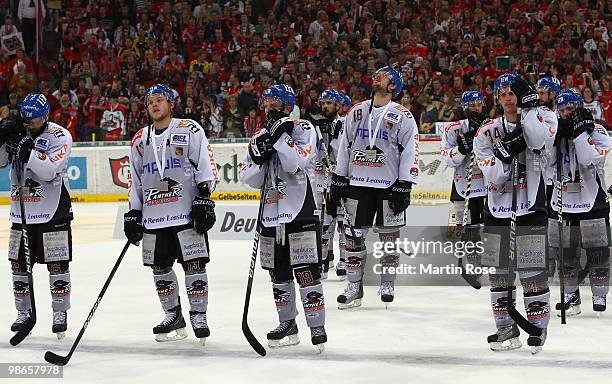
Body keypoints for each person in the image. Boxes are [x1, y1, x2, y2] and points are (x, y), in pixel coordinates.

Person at [124, 84, 218, 345]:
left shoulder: (189, 129)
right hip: (154, 216)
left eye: (159, 100)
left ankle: (199, 315)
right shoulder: (140, 139)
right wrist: (133, 212)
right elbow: (136, 180)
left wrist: (204, 198)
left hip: (185, 214)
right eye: (150, 101)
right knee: (159, 269)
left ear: (170, 104)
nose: (154, 104)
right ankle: (172, 315)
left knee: (194, 265)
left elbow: (206, 165)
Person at [239, 84, 327, 351]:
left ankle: (317, 325)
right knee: (278, 273)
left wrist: (279, 139)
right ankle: (287, 323)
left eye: (274, 102)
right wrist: (262, 155)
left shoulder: (304, 128)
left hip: (301, 209)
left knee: (307, 272)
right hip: (271, 212)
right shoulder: (259, 135)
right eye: (266, 102)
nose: (268, 106)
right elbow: (248, 177)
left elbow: (294, 163)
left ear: (287, 106)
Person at [473, 73, 555, 354]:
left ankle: (538, 327)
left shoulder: (544, 117)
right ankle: (505, 328)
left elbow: (535, 141)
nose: (509, 98)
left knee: (532, 271)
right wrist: (505, 155)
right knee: (498, 273)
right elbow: (493, 178)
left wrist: (530, 107)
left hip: (531, 205)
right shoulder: (485, 132)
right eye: (504, 94)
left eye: (514, 93)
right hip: (497, 209)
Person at [330, 66, 419, 309]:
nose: (377, 75)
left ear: (393, 87)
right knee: (353, 237)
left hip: (388, 185)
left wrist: (405, 184)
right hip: (358, 184)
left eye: (385, 75)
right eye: (377, 73)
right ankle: (353, 285)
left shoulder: (402, 115)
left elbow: (411, 150)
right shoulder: (357, 111)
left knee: (389, 238)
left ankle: (387, 283)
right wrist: (338, 178)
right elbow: (344, 146)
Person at [0, 94, 73, 339]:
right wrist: (1, 140)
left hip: (53, 208)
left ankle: (60, 312)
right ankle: (23, 312)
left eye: (36, 119)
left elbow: (49, 169)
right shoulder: (19, 132)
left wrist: (27, 151)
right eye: (26, 119)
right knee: (18, 265)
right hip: (21, 209)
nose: (30, 123)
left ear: (46, 116)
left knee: (57, 264)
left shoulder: (60, 136)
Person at [549, 89, 610, 316]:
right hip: (563, 200)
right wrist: (555, 138)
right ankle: (571, 293)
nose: (566, 113)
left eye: (571, 109)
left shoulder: (598, 131)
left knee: (597, 250)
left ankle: (599, 293)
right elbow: (546, 163)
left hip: (593, 199)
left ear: (580, 108)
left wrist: (580, 133)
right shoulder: (556, 133)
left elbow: (587, 158)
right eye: (562, 110)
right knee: (566, 251)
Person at [440, 90, 489, 283]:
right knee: (468, 227)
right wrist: (461, 149)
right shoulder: (453, 129)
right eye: (472, 105)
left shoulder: (491, 125)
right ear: (464, 108)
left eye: (479, 105)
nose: (477, 108)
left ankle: (491, 259)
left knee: (487, 225)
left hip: (486, 183)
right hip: (463, 183)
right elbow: (446, 157)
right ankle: (474, 261)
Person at [310, 88, 344, 279]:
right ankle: (324, 257)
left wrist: (331, 139)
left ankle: (344, 259)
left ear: (338, 105)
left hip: (337, 176)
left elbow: (343, 151)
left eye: (329, 103)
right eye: (323, 103)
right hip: (319, 176)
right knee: (322, 220)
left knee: (340, 219)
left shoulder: (344, 124)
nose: (325, 106)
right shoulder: (315, 126)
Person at [536, 75, 561, 280]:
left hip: (556, 179)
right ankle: (546, 261)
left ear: (554, 94)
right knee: (541, 222)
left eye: (543, 92)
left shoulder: (560, 114)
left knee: (555, 223)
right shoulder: (537, 113)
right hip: (540, 178)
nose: (540, 95)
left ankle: (558, 261)